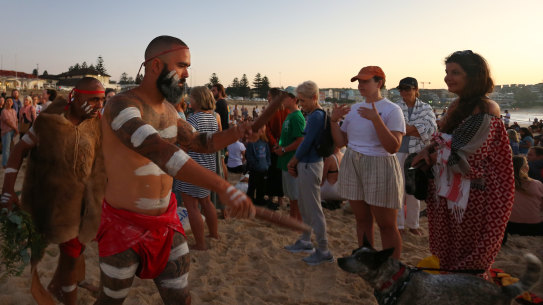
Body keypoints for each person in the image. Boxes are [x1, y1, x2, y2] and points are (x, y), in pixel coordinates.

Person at [95, 35, 257, 305]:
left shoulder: (170, 110)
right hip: (123, 226)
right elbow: (158, 150)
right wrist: (221, 186)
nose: (187, 74)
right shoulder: (120, 105)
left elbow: (201, 142)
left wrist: (236, 132)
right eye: (181, 65)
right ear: (156, 65)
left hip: (166, 224)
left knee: (180, 299)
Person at [1, 77, 106, 305]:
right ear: (75, 96)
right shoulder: (48, 124)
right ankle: (68, 296)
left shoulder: (98, 125)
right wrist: (8, 191)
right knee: (70, 256)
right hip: (55, 206)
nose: (99, 105)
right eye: (94, 100)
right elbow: (19, 150)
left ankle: (59, 286)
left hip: (86, 207)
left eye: (102, 100)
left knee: (75, 252)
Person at [413, 50, 514, 278]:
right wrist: (431, 150)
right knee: (447, 253)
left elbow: (465, 158)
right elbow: (445, 144)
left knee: (468, 257)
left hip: (474, 197)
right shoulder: (456, 106)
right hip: (449, 194)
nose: (448, 77)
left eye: (455, 72)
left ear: (474, 76)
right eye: (447, 72)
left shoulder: (487, 109)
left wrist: (431, 151)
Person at [330, 66, 405, 259]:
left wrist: (376, 120)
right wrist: (333, 122)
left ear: (379, 83)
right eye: (359, 82)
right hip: (353, 161)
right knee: (362, 220)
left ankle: (392, 269)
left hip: (380, 164)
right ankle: (366, 260)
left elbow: (393, 147)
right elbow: (341, 142)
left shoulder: (392, 109)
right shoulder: (354, 109)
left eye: (365, 81)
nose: (361, 85)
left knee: (387, 225)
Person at [285, 80, 333, 265]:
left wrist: (293, 160)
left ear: (314, 97)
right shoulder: (316, 115)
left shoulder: (315, 116)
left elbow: (306, 143)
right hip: (309, 165)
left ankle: (323, 249)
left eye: (303, 100)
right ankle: (306, 240)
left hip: (310, 165)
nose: (301, 104)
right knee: (306, 206)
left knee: (314, 209)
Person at [178, 86, 221, 250]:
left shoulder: (193, 120)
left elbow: (185, 145)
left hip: (194, 167)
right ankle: (214, 234)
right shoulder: (213, 118)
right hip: (208, 165)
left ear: (198, 100)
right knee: (207, 201)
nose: (189, 100)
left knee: (192, 206)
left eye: (192, 98)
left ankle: (200, 243)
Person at [395, 77, 437, 235]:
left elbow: (430, 130)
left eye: (407, 88)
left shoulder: (426, 108)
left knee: (413, 188)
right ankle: (399, 225)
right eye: (401, 89)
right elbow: (394, 127)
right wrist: (417, 129)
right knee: (398, 188)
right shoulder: (396, 107)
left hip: (417, 153)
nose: (403, 92)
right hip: (397, 151)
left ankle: (413, 224)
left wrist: (406, 129)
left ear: (415, 90)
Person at [274, 88, 304, 221]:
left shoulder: (297, 116)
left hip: (291, 160)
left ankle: (295, 220)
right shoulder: (289, 114)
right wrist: (280, 145)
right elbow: (288, 137)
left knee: (295, 195)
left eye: (285, 97)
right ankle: (293, 218)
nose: (282, 100)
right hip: (285, 159)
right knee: (291, 194)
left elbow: (300, 140)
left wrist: (284, 150)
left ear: (294, 99)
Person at [502, 156, 543, 244]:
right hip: (535, 227)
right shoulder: (537, 184)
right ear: (524, 167)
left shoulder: (504, 184)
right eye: (527, 164)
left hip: (510, 226)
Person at [265, 88, 289, 208]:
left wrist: (274, 144)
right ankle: (280, 199)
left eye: (269, 96)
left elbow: (267, 130)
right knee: (280, 174)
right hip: (284, 147)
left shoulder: (269, 110)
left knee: (272, 173)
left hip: (273, 147)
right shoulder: (288, 110)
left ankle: (271, 198)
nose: (267, 98)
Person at [245, 126, 271, 207]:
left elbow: (268, 154)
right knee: (252, 186)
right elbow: (249, 156)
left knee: (261, 186)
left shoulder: (264, 142)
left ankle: (260, 199)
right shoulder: (251, 142)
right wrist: (255, 165)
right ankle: (250, 200)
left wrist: (267, 164)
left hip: (264, 168)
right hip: (255, 169)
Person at [1, 97, 18, 167]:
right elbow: (7, 121)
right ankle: (5, 163)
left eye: (10, 101)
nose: (9, 102)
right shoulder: (3, 111)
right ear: (5, 103)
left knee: (12, 147)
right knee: (6, 148)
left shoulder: (14, 111)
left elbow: (16, 120)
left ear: (12, 103)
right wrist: (16, 129)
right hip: (6, 131)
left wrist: (16, 128)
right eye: (7, 101)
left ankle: (10, 162)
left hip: (13, 131)